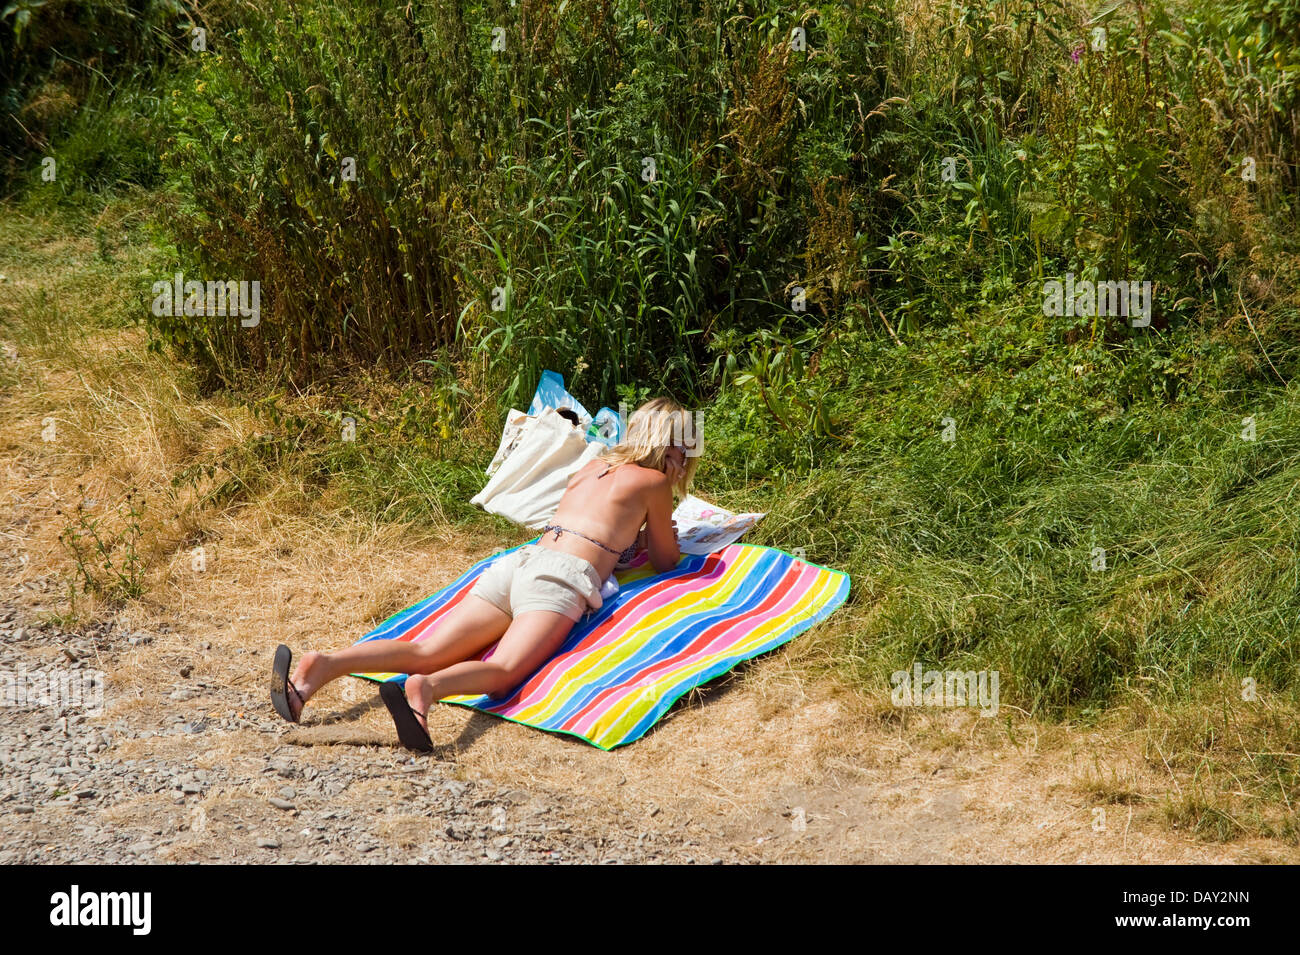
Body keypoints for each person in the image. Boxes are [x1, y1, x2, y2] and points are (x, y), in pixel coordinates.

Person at [270, 396, 701, 751]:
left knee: (426, 648)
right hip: (560, 579)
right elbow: (667, 561)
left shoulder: (591, 467)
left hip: (520, 564)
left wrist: (633, 542)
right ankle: (427, 691)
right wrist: (663, 529)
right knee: (506, 670)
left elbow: (596, 527)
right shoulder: (654, 483)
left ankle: (323, 665)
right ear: (667, 444)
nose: (687, 455)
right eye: (684, 447)